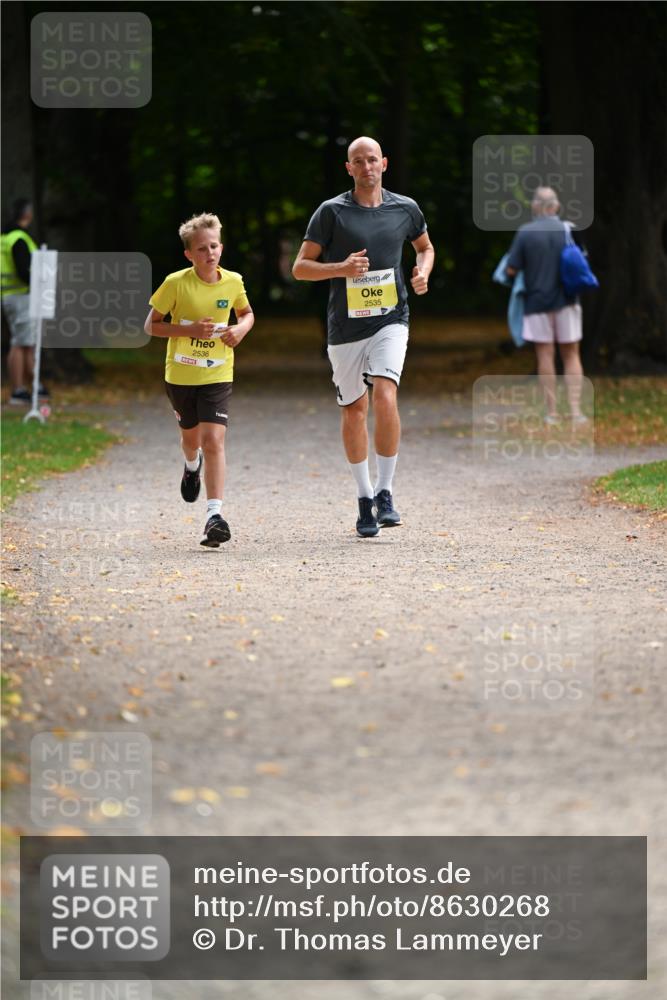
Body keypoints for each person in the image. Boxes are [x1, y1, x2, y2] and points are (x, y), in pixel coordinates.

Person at [292, 136, 434, 537]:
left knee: (386, 392)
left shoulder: (405, 208)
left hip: (392, 318)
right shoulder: (331, 212)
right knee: (354, 410)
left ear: (384, 163)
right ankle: (364, 497)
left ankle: (386, 492)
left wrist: (422, 271)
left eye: (373, 159)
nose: (367, 166)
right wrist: (341, 268)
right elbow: (300, 268)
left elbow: (425, 248)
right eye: (359, 161)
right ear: (349, 168)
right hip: (345, 328)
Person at [144, 212, 254, 547]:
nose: (210, 253)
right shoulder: (176, 283)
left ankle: (214, 516)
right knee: (192, 442)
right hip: (180, 374)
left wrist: (240, 329)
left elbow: (246, 313)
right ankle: (191, 467)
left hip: (217, 372)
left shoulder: (233, 281)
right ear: (189, 254)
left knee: (214, 441)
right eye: (202, 249)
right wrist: (189, 330)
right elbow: (151, 325)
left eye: (214, 246)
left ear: (221, 247)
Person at [505, 187, 587, 424]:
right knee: (571, 355)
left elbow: (511, 269)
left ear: (536, 206)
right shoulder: (569, 230)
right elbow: (582, 261)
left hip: (536, 303)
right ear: (556, 206)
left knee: (545, 356)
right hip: (567, 301)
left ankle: (551, 413)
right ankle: (575, 412)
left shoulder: (525, 233)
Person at [1, 198, 50, 405]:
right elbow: (24, 270)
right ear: (27, 214)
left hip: (9, 296)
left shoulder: (5, 237)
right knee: (23, 343)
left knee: (21, 342)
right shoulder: (20, 239)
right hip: (22, 296)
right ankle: (22, 389)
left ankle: (29, 386)